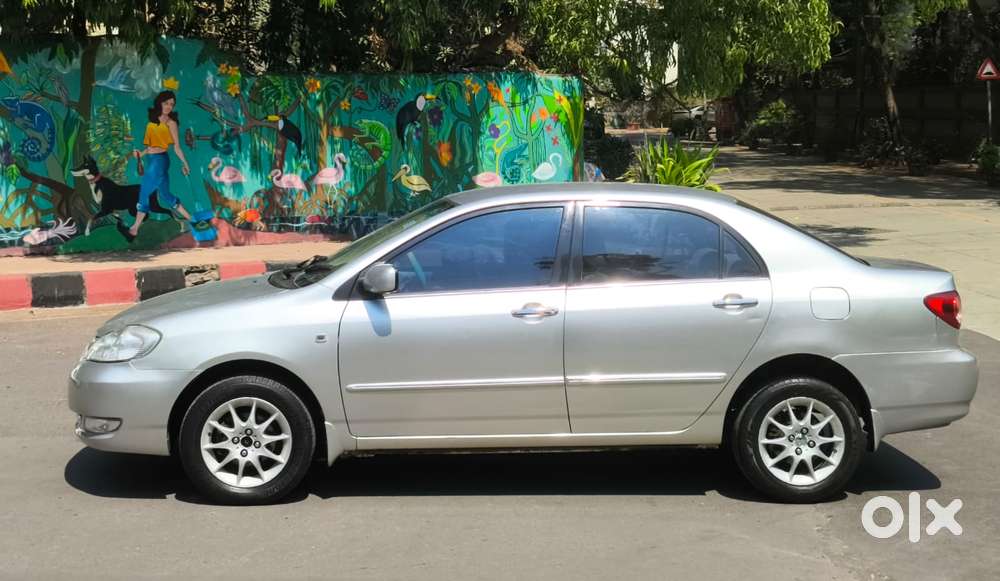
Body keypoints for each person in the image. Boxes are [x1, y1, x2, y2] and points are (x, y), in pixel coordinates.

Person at [130, 90, 192, 237]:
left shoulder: (172, 123)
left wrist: (185, 164)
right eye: (166, 103)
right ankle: (192, 220)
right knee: (165, 195)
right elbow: (151, 147)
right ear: (160, 102)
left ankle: (135, 227)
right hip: (152, 159)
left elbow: (176, 147)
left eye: (172, 104)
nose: (169, 106)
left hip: (160, 160)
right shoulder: (152, 121)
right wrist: (141, 154)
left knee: (145, 190)